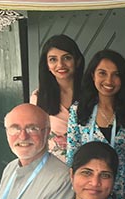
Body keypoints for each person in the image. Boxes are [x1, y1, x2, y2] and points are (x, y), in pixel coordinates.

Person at [66, 49, 125, 199]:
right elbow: (72, 153)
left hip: (122, 189)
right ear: (92, 75)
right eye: (102, 73)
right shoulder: (78, 110)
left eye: (116, 75)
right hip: (91, 188)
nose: (109, 80)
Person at [30, 34, 85, 162]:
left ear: (77, 61)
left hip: (87, 168)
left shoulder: (91, 94)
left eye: (66, 58)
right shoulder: (38, 98)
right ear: (47, 65)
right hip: (53, 168)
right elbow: (34, 138)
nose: (60, 65)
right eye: (53, 59)